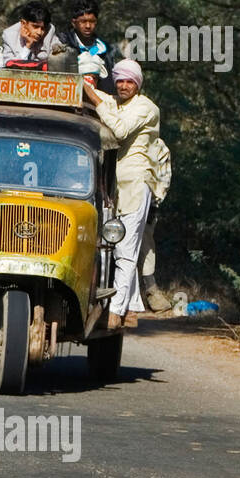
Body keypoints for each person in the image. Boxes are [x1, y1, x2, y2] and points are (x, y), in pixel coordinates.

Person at [84, 59, 160, 329]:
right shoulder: (116, 102)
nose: (124, 85)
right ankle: (131, 307)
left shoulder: (146, 107)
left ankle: (115, 314)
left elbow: (119, 130)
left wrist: (92, 95)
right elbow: (101, 97)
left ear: (137, 84)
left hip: (135, 184)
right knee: (110, 246)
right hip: (111, 187)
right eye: (120, 81)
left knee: (125, 251)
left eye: (130, 81)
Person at [56, 0, 117, 93]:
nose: (88, 26)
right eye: (83, 21)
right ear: (74, 23)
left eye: (92, 22)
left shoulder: (104, 49)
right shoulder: (63, 43)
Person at [1, 0, 58, 68]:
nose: (39, 32)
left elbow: (57, 60)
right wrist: (28, 46)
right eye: (35, 26)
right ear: (23, 23)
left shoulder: (50, 30)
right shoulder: (9, 35)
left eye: (43, 28)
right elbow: (9, 67)